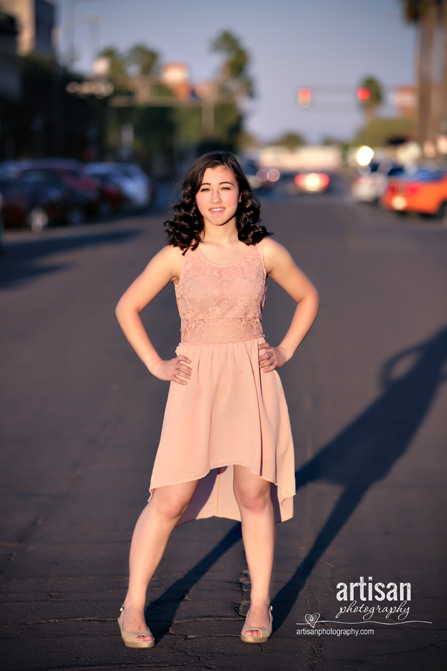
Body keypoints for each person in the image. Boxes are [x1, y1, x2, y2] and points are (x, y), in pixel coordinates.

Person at [115, 151, 319, 648]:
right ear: (194, 197)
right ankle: (134, 606)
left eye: (225, 187)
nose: (215, 198)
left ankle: (258, 603)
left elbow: (308, 296)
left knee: (254, 494)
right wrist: (155, 363)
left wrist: (285, 349)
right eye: (205, 189)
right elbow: (127, 306)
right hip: (196, 382)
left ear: (241, 194)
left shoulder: (264, 251)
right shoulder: (177, 254)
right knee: (170, 496)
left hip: (252, 380)